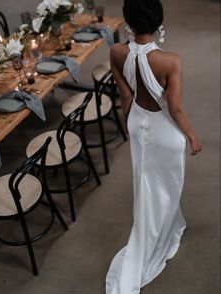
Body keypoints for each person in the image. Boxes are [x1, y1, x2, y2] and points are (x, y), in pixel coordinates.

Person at [105, 0, 202, 293]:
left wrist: (129, 124)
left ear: (128, 21)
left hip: (138, 122)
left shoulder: (116, 51)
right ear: (159, 20)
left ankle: (156, 223)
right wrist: (191, 136)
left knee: (144, 181)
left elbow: (124, 95)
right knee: (166, 185)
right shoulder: (171, 60)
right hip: (165, 133)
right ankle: (161, 227)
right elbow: (175, 109)